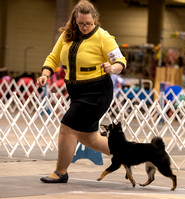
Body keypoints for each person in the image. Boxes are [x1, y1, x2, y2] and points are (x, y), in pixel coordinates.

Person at [37, 0, 126, 183]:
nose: (85, 27)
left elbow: (121, 61)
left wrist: (113, 68)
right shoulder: (67, 35)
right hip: (76, 92)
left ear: (95, 20)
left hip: (97, 92)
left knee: (67, 128)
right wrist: (45, 74)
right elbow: (53, 57)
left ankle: (61, 172)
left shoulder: (104, 37)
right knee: (89, 138)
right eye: (81, 23)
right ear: (74, 20)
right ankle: (129, 153)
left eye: (89, 23)